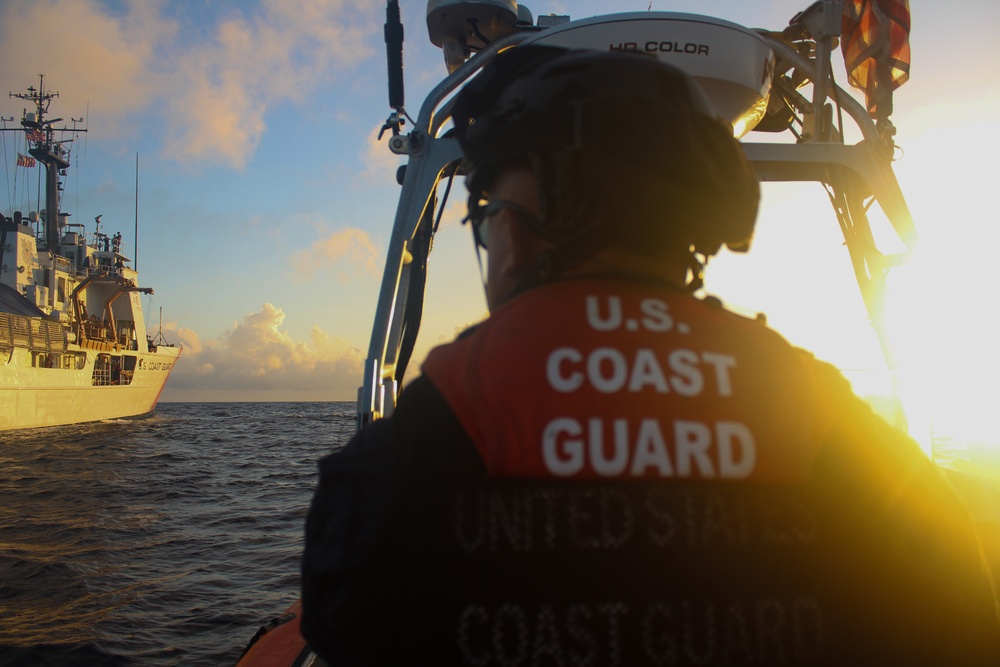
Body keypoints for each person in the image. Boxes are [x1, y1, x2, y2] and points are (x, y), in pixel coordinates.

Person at [301, 47, 1000, 665]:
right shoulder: (834, 427)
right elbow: (956, 619)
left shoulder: (413, 454)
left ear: (517, 230)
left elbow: (343, 618)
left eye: (488, 209)